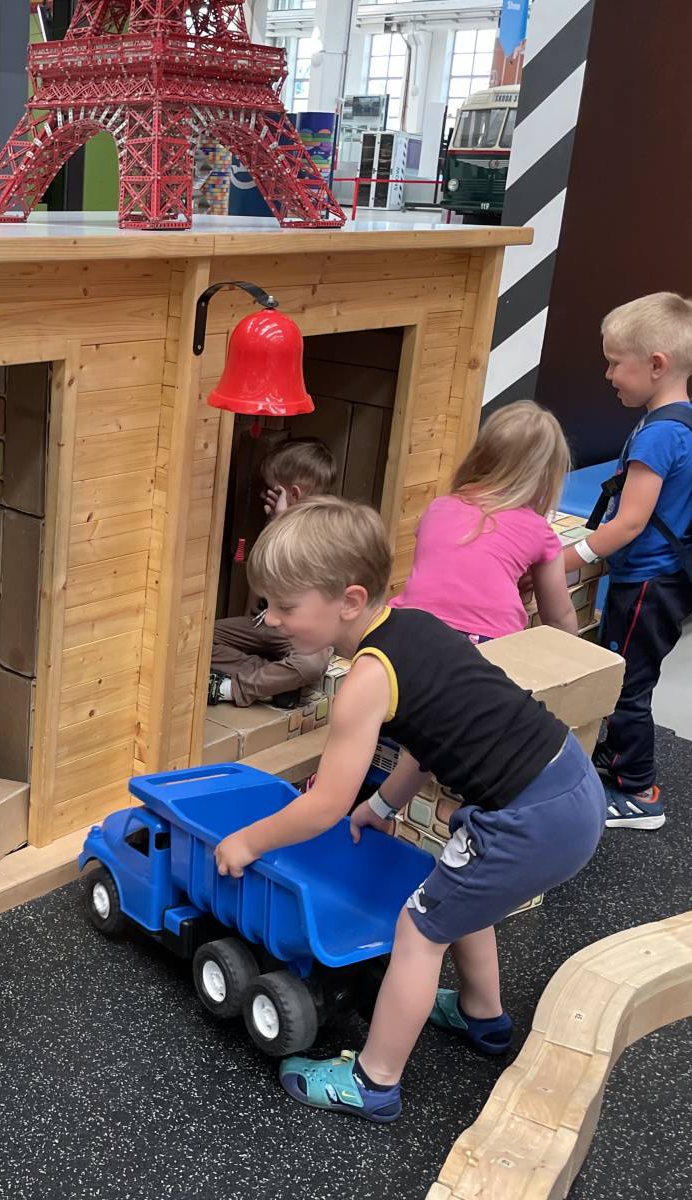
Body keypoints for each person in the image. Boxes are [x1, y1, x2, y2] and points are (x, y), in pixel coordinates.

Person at [212, 497, 603, 1123]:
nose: (272, 620)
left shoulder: (365, 679)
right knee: (460, 893)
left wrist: (247, 842)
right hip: (570, 785)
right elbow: (429, 738)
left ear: (348, 600)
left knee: (419, 932)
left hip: (528, 821)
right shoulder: (416, 627)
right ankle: (483, 1017)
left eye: (286, 606)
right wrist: (384, 802)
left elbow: (324, 805)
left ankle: (374, 1081)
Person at [561, 293, 692, 831]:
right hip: (668, 578)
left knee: (626, 683)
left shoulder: (659, 435)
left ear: (656, 365)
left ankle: (638, 793)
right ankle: (616, 757)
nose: (608, 375)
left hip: (648, 581)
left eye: (615, 362)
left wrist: (567, 558)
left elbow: (628, 523)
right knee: (627, 671)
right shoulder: (688, 418)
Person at [392, 400, 577, 642]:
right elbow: (558, 617)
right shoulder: (538, 530)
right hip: (484, 641)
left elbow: (442, 578)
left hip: (406, 627)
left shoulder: (438, 507)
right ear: (544, 476)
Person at [208, 438, 338, 708]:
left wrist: (280, 522)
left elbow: (296, 573)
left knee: (311, 664)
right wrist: (273, 523)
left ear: (293, 494)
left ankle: (234, 688)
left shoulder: (324, 528)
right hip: (265, 624)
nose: (264, 495)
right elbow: (261, 574)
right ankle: (274, 680)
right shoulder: (278, 523)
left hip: (299, 631)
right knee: (198, 642)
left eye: (271, 490)